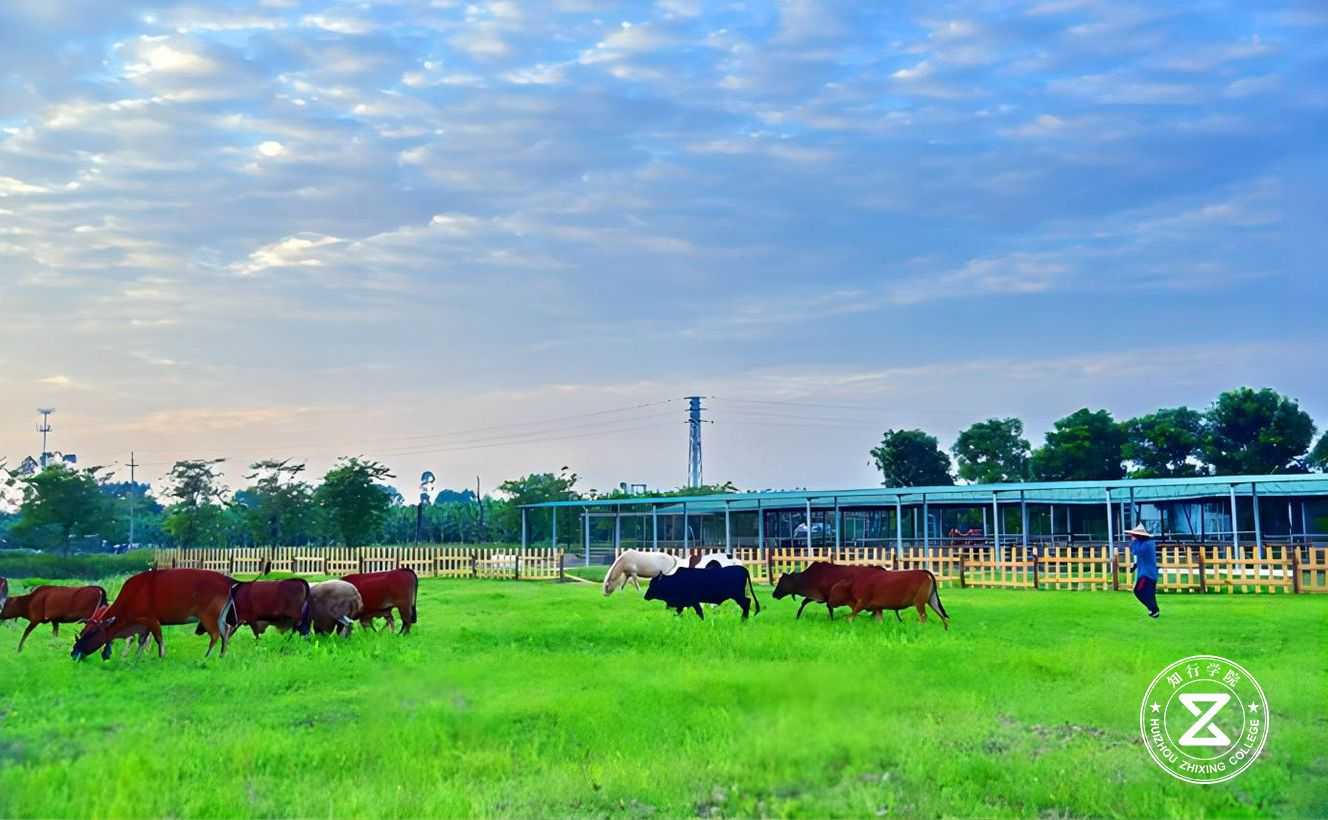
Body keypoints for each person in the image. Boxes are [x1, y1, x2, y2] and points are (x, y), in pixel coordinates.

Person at [1125, 524, 1159, 618]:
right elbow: (1140, 557)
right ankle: (1154, 611)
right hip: (1151, 573)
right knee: (1150, 594)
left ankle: (1153, 609)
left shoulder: (1146, 545)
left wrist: (1134, 542)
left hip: (1146, 574)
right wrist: (1135, 566)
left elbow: (1136, 551)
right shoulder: (1148, 543)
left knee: (1138, 591)